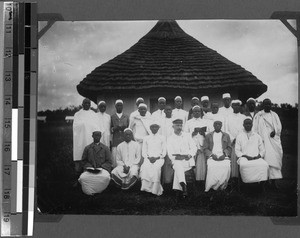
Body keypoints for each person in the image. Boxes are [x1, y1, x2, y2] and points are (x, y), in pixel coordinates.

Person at [253, 98, 283, 181]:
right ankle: (264, 181)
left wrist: (275, 131)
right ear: (263, 105)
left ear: (271, 105)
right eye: (265, 104)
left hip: (273, 142)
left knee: (275, 159)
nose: (267, 105)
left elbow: (279, 126)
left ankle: (274, 181)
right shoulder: (258, 115)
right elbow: (254, 129)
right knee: (264, 161)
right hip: (263, 142)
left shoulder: (275, 115)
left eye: (269, 104)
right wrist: (259, 139)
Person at [167, 118, 197, 197]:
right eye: (177, 125)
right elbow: (170, 153)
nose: (179, 127)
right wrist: (177, 157)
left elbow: (194, 148)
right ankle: (184, 187)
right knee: (177, 164)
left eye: (180, 125)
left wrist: (189, 155)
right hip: (176, 160)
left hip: (187, 160)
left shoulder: (187, 136)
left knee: (177, 168)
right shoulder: (170, 138)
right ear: (173, 126)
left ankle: (181, 186)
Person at [185, 105, 211, 188]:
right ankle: (192, 181)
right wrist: (192, 134)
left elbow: (209, 133)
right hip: (192, 144)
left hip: (202, 145)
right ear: (192, 113)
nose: (197, 112)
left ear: (201, 112)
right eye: (195, 111)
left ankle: (201, 180)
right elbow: (185, 134)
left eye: (198, 111)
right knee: (192, 163)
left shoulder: (205, 122)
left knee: (201, 164)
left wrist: (204, 133)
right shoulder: (188, 122)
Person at [78, 131, 112, 195]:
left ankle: (99, 190)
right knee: (83, 177)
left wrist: (101, 167)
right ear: (92, 136)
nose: (97, 137)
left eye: (99, 135)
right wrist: (90, 167)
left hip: (102, 170)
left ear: (101, 136)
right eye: (95, 135)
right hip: (90, 170)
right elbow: (84, 161)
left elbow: (109, 161)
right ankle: (89, 191)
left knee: (106, 177)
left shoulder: (105, 148)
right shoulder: (87, 148)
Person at [235, 118, 269, 184]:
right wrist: (245, 156)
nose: (248, 125)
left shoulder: (257, 136)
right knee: (244, 165)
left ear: (252, 125)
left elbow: (262, 150)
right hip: (244, 158)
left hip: (256, 158)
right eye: (246, 124)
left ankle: (260, 184)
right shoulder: (239, 136)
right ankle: (246, 183)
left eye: (249, 124)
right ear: (243, 125)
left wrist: (258, 156)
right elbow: (237, 151)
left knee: (265, 165)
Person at [203, 120, 232, 192]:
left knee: (226, 166)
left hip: (223, 156)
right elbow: (205, 148)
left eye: (219, 124)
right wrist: (212, 155)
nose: (217, 126)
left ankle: (222, 186)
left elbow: (229, 147)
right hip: (212, 156)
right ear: (213, 125)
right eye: (216, 124)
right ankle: (212, 186)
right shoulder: (208, 135)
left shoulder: (226, 135)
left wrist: (224, 154)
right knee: (212, 167)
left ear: (221, 126)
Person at [140, 122, 166, 196]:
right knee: (145, 167)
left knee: (156, 168)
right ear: (150, 128)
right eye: (152, 127)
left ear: (158, 128)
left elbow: (164, 152)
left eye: (156, 127)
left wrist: (157, 158)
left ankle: (154, 190)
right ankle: (145, 189)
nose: (154, 128)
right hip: (148, 158)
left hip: (159, 159)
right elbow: (144, 151)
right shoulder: (146, 138)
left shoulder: (162, 137)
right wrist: (148, 157)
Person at [224, 100, 246, 180]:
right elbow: (226, 130)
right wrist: (233, 139)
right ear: (232, 106)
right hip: (232, 142)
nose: (236, 107)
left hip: (242, 142)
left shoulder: (243, 117)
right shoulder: (228, 117)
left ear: (240, 106)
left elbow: (244, 130)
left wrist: (239, 139)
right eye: (234, 105)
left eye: (238, 105)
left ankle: (243, 178)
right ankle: (234, 179)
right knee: (233, 160)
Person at [111, 100, 129, 167]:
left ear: (123, 106)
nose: (119, 107)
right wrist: (115, 128)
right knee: (115, 158)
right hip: (116, 140)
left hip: (124, 140)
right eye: (118, 105)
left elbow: (128, 128)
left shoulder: (126, 116)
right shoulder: (112, 117)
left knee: (124, 157)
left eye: (120, 105)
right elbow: (111, 129)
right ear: (115, 106)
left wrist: (124, 128)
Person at [161, 105, 174, 184]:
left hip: (172, 145)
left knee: (171, 162)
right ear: (164, 111)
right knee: (164, 163)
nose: (168, 111)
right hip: (164, 144)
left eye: (170, 110)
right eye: (167, 110)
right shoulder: (161, 121)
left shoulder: (174, 120)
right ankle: (164, 181)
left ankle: (172, 181)